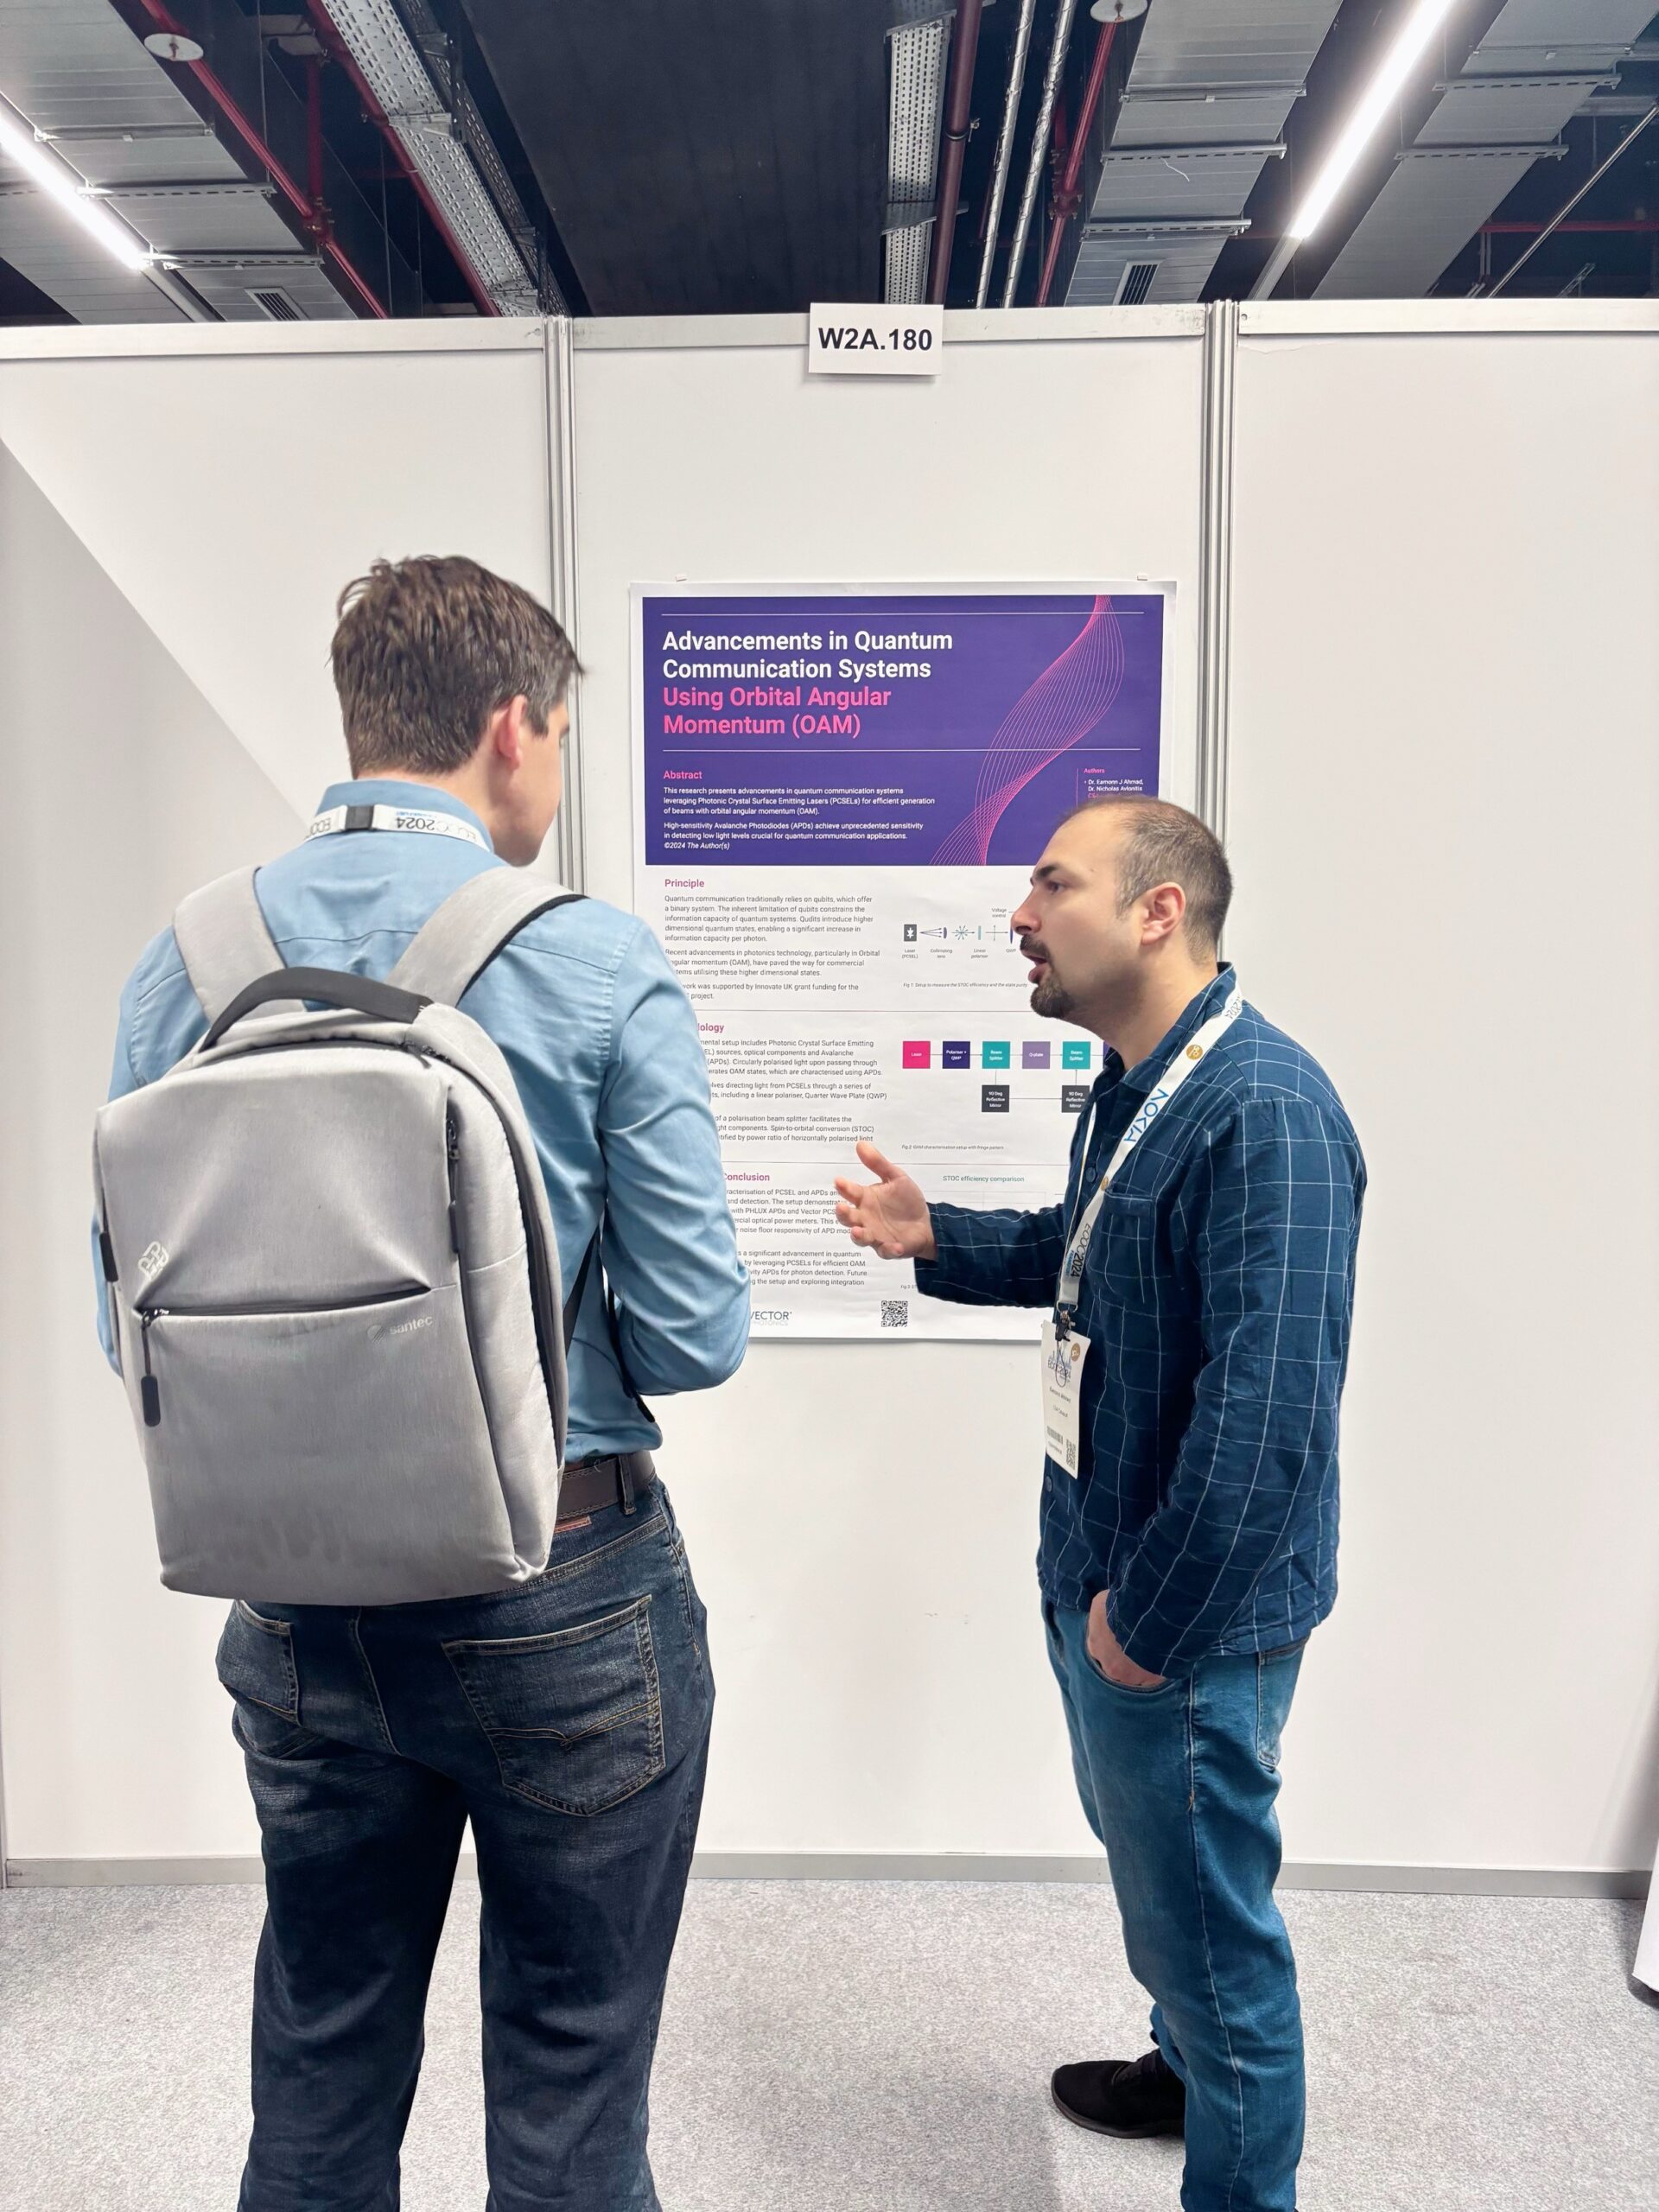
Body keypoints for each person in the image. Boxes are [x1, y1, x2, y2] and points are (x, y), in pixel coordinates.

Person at [100, 556, 750, 2212]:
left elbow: (132, 1332)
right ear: (511, 727)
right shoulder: (598, 965)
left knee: (319, 2059)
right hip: (568, 1585)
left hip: (298, 1607)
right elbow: (692, 1337)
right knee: (570, 2075)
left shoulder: (182, 964)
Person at [835, 797, 1363, 2212]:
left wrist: (1146, 1627)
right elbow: (1092, 1271)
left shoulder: (1269, 1114)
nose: (1018, 914)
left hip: (1180, 1617)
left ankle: (1235, 2169)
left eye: (1050, 884)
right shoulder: (1136, 1091)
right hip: (1106, 1576)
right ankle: (1177, 2072)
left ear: (1158, 912)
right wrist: (937, 1236)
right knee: (1164, 1881)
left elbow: (1266, 1428)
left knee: (1213, 1929)